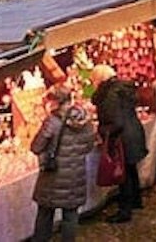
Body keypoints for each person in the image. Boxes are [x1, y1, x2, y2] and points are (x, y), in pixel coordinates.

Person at [30, 86, 98, 242]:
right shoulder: (85, 120)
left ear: (56, 102)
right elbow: (88, 146)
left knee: (45, 213)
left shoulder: (52, 122)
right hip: (76, 175)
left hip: (52, 176)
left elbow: (36, 147)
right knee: (70, 215)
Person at [90, 67, 147, 223]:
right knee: (131, 169)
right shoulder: (123, 88)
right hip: (133, 131)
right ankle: (136, 200)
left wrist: (101, 130)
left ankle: (125, 211)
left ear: (99, 79)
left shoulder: (108, 95)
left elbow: (115, 121)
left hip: (123, 138)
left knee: (124, 174)